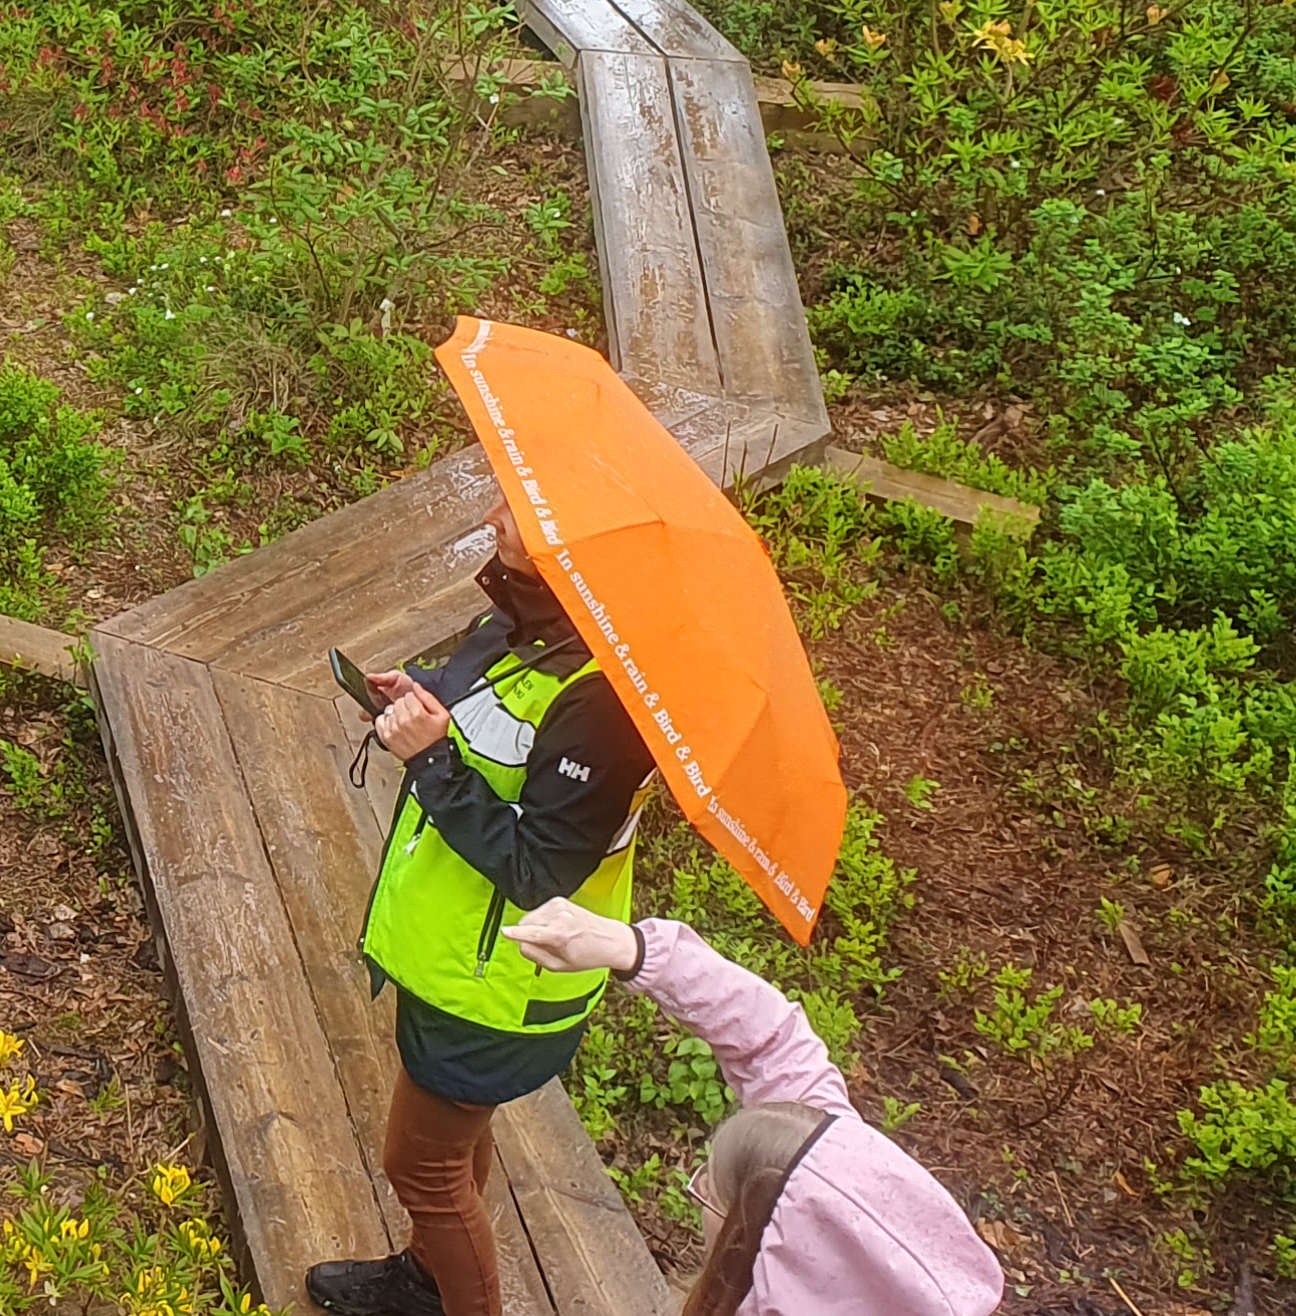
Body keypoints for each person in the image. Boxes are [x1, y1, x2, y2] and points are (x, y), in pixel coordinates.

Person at [307, 497, 654, 1316]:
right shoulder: (529, 624)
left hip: (506, 984)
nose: (498, 512)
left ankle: (454, 1294)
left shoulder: (604, 702)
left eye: (527, 510)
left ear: (572, 546)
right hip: (457, 953)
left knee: (421, 1170)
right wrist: (419, 693)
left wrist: (430, 761)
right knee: (452, 1149)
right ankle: (428, 1280)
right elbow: (488, 710)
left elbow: (541, 869)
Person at [507, 901, 1006, 1315]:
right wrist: (633, 950)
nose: (695, 1195)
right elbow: (773, 1044)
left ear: (750, 1242)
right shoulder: (832, 1175)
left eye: (707, 1194)